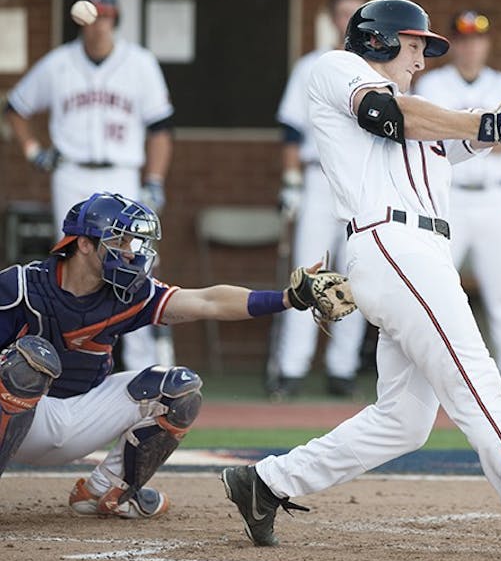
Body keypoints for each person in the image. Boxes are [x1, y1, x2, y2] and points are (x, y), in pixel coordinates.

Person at [220, 0, 501, 561]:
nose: (421, 60)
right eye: (413, 47)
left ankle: (268, 483)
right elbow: (386, 116)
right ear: (379, 40)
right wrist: (483, 119)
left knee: (404, 421)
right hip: (393, 244)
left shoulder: (413, 109)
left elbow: (449, 144)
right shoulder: (340, 70)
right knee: (477, 383)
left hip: (418, 251)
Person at [0, 191, 344, 518]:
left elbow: (207, 301)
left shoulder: (129, 293)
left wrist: (286, 299)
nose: (130, 252)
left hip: (82, 415)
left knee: (178, 388)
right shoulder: (20, 287)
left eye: (131, 242)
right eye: (118, 242)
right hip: (23, 415)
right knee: (29, 360)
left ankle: (109, 493)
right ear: (85, 245)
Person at [5, 0, 175, 372]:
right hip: (72, 174)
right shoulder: (58, 63)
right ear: (80, 19)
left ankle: (141, 366)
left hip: (122, 172)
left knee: (135, 265)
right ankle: (68, 356)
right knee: (74, 265)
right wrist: (34, 150)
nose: (98, 23)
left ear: (116, 20)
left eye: (107, 16)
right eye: (93, 14)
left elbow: (161, 129)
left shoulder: (139, 63)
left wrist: (155, 179)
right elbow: (16, 107)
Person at [414, 9, 501, 405]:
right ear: (454, 44)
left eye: (477, 39)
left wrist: (464, 126)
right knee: (434, 289)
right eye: (464, 39)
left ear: (487, 43)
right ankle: (428, 374)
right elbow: (427, 135)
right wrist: (485, 127)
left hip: (492, 195)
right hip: (447, 197)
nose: (471, 47)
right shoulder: (432, 84)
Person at [270, 0, 370, 399]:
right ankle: (292, 367)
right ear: (331, 19)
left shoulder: (374, 68)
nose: (348, 21)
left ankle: (341, 369)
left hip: (362, 183)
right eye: (342, 14)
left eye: (355, 15)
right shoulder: (311, 66)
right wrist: (290, 181)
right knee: (307, 271)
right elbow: (291, 131)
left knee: (358, 274)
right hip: (317, 177)